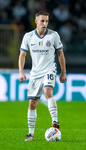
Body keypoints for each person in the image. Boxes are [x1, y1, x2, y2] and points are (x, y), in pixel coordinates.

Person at [18, 11, 67, 141]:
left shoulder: (53, 35)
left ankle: (55, 121)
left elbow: (60, 54)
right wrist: (21, 72)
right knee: (32, 103)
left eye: (46, 21)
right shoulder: (28, 36)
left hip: (49, 70)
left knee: (47, 91)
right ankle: (31, 134)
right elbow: (22, 55)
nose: (45, 24)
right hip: (35, 73)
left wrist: (63, 72)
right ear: (36, 21)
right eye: (42, 21)